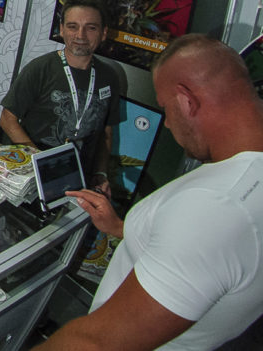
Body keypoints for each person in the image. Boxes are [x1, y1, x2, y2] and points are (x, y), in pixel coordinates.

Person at [34, 34, 263, 351]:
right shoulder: (242, 179)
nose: (166, 123)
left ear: (186, 101)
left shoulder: (215, 208)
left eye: (165, 108)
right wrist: (121, 228)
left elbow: (96, 343)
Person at [0, 0, 118, 191]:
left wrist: (101, 173)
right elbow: (7, 119)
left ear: (103, 33)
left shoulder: (109, 77)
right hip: (32, 172)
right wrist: (40, 162)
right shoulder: (40, 68)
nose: (80, 36)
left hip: (78, 177)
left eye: (91, 28)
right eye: (72, 26)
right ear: (61, 30)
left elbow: (106, 131)